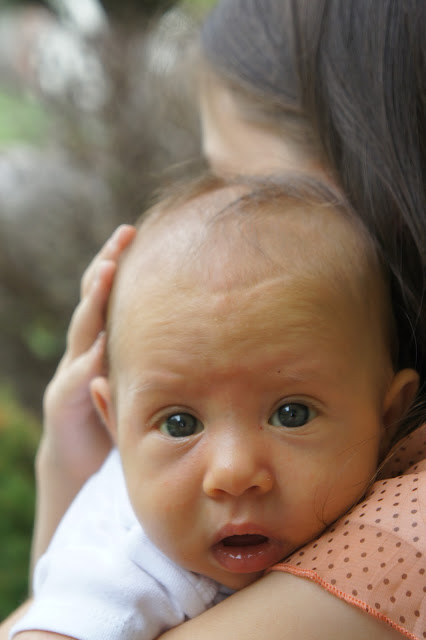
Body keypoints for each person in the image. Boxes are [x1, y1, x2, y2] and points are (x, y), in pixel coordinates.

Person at [1, 0, 425, 638]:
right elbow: (63, 605)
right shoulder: (140, 534)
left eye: (251, 188)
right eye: (179, 423)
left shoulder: (404, 528)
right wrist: (72, 471)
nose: (230, 472)